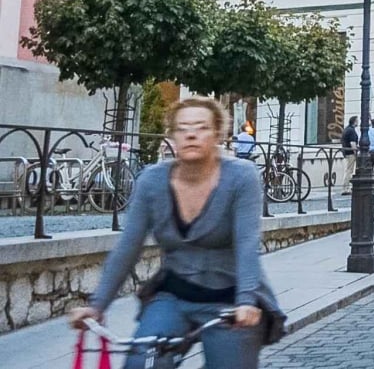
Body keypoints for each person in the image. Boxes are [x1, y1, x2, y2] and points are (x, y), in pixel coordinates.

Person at [69, 98, 282, 369]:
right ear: (172, 136)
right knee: (141, 361)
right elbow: (128, 247)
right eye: (182, 128)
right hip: (173, 296)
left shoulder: (241, 177)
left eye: (201, 127)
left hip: (230, 301)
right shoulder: (152, 181)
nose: (191, 134)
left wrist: (247, 302)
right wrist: (97, 306)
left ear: (218, 134)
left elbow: (247, 243)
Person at [339, 117, 358, 194]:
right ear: (354, 122)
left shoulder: (346, 129)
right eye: (357, 121)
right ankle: (345, 188)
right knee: (349, 171)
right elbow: (352, 143)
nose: (358, 122)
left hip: (346, 152)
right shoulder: (351, 130)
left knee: (348, 170)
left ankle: (346, 187)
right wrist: (355, 152)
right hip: (350, 153)